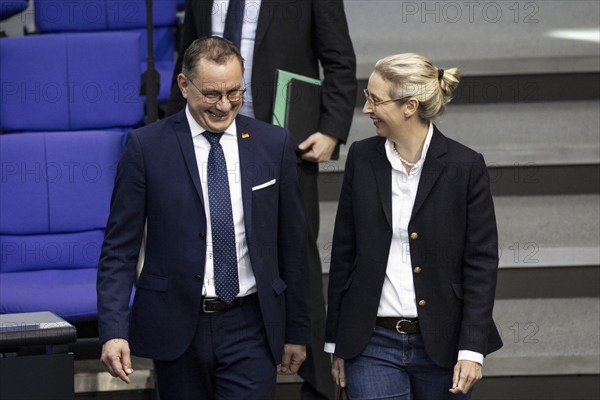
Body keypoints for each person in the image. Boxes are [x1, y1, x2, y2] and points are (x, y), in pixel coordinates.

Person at [97, 36, 310, 399]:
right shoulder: (146, 147)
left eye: (234, 92)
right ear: (184, 85)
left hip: (251, 324)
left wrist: (297, 331)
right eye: (211, 94)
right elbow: (120, 249)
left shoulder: (273, 144)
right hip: (178, 325)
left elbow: (293, 247)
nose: (224, 105)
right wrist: (114, 329)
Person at [166, 2, 357, 399]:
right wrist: (172, 134)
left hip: (283, 142)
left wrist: (332, 129)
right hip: (207, 137)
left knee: (297, 255)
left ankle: (319, 382)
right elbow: (187, 58)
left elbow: (339, 57)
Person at [325, 53, 503, 400]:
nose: (366, 109)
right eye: (367, 97)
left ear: (410, 105)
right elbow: (344, 254)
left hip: (443, 344)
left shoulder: (465, 166)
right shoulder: (361, 158)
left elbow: (481, 263)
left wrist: (471, 349)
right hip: (371, 343)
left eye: (375, 100)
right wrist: (337, 342)